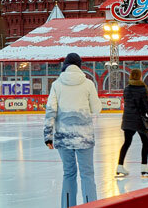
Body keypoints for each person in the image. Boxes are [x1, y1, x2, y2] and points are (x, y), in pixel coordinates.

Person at [44, 52, 101, 207]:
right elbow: (97, 109)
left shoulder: (57, 85)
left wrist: (48, 136)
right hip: (85, 138)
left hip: (63, 137)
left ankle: (68, 205)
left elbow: (50, 111)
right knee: (87, 174)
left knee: (69, 173)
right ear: (79, 66)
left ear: (66, 65)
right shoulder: (88, 84)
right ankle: (91, 205)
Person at [115, 68, 148, 179]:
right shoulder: (142, 89)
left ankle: (119, 166)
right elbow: (147, 106)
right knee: (146, 142)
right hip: (138, 120)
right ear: (139, 76)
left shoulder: (127, 89)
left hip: (127, 119)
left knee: (126, 143)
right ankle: (144, 167)